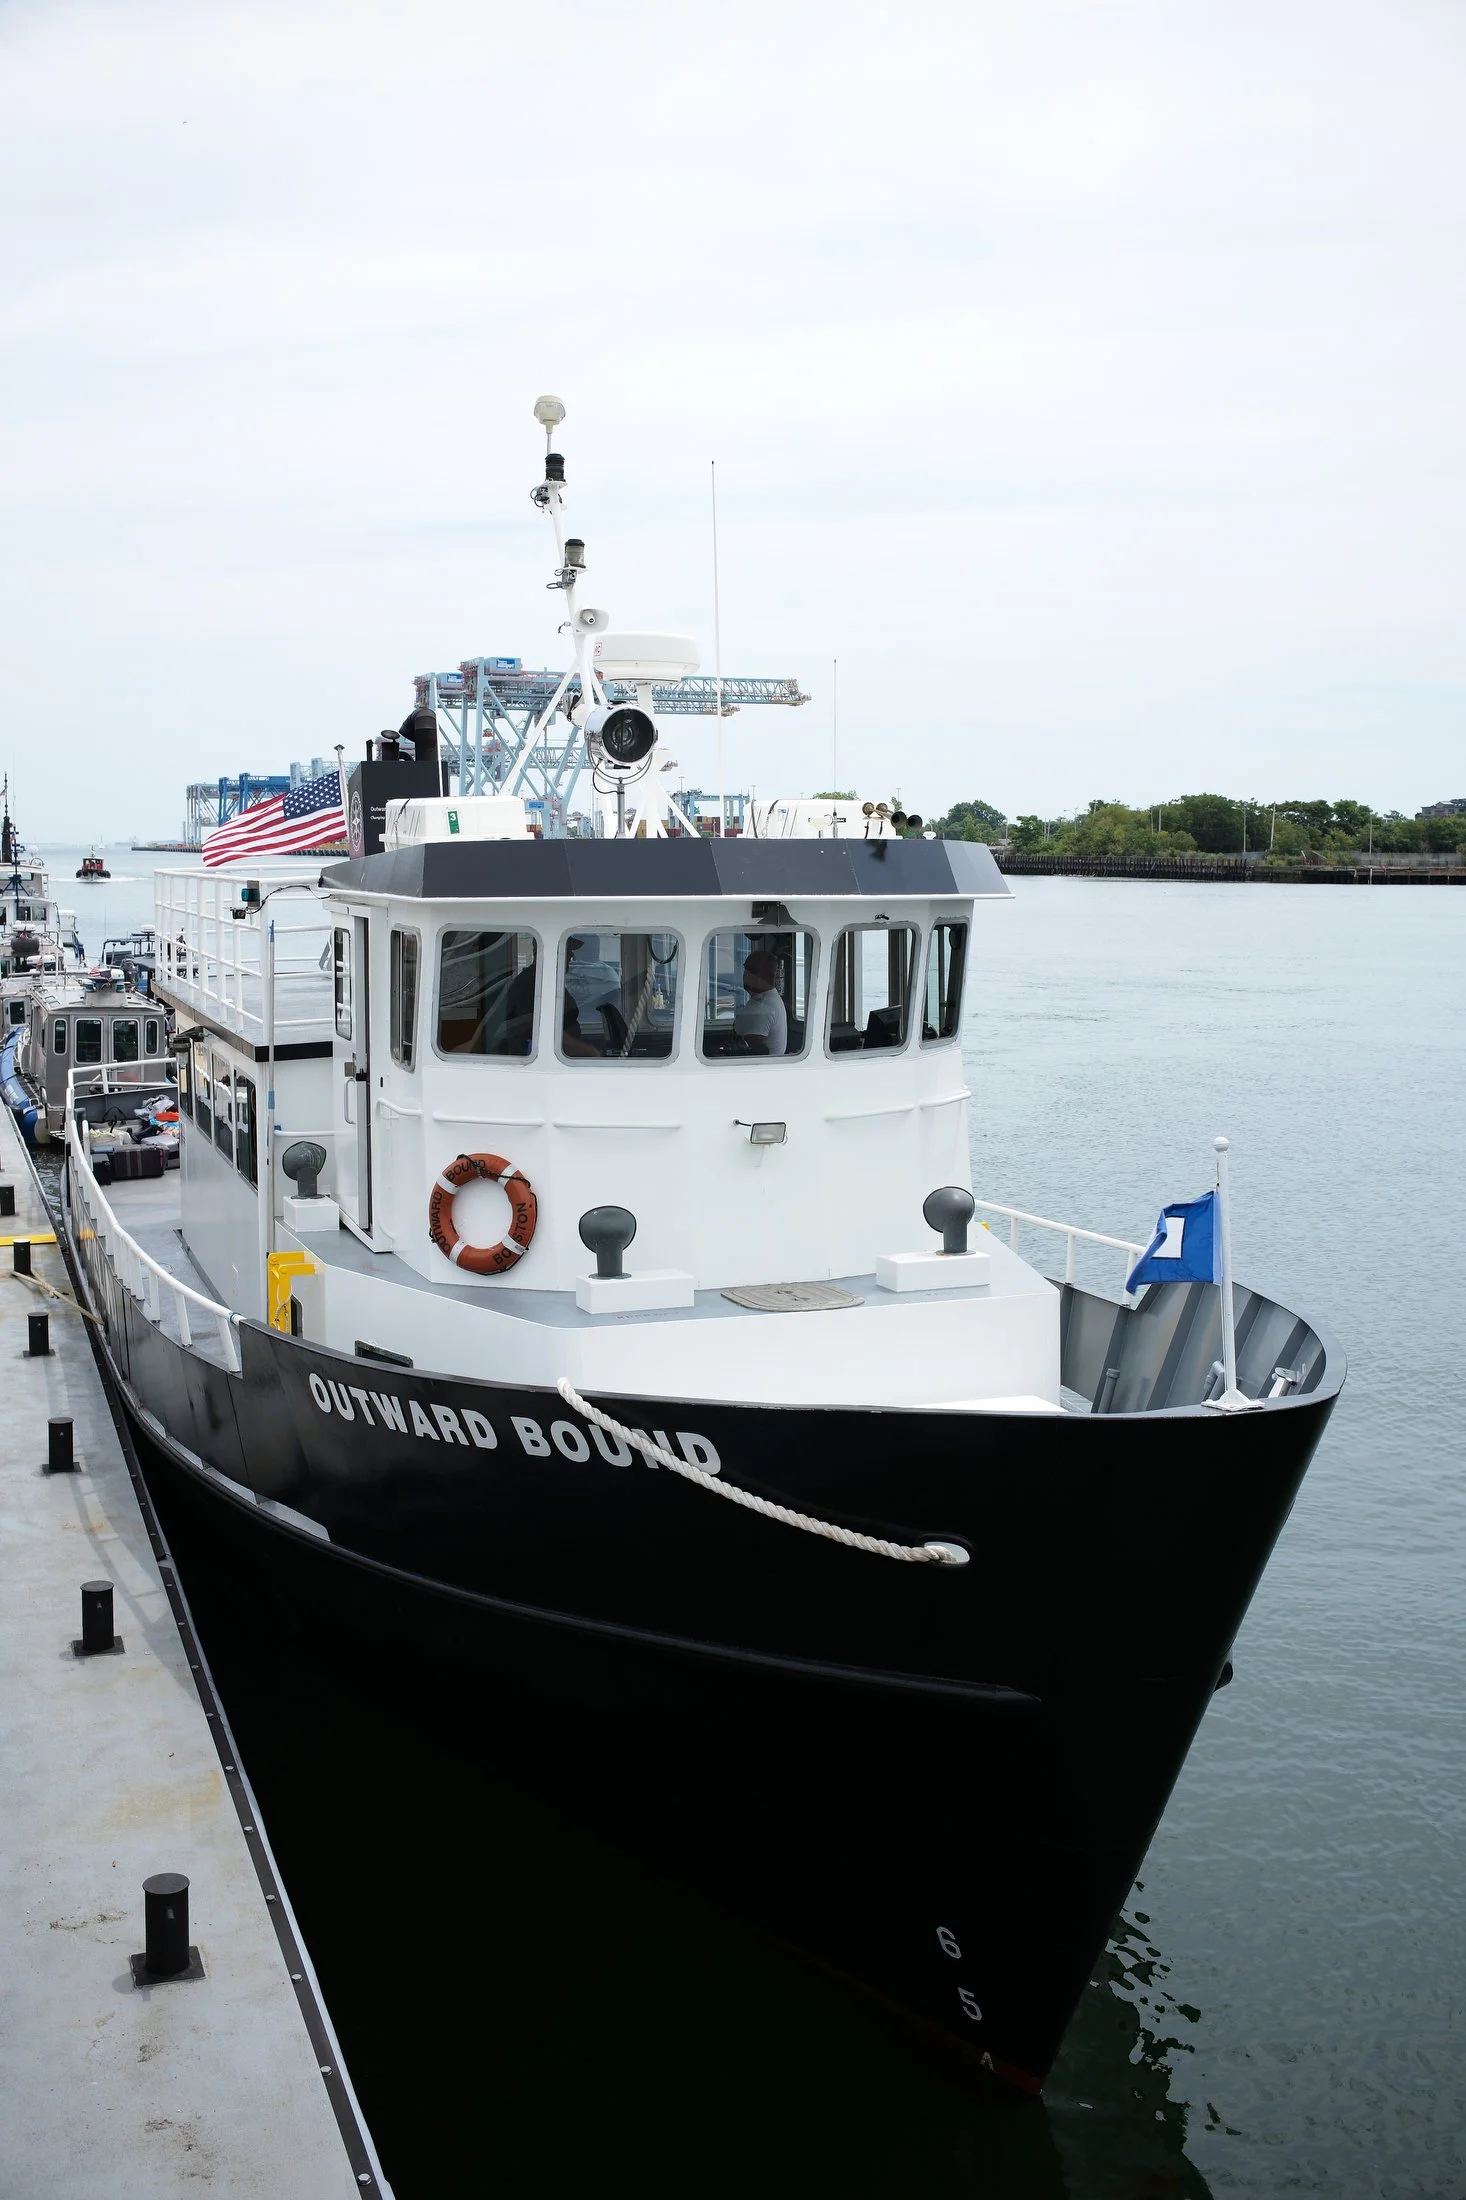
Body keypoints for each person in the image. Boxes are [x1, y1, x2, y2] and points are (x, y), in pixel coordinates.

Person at [734, 949, 787, 1056]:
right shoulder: (765, 999)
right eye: (745, 968)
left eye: (751, 970)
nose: (745, 974)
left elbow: (751, 1052)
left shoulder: (762, 1008)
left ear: (767, 975)